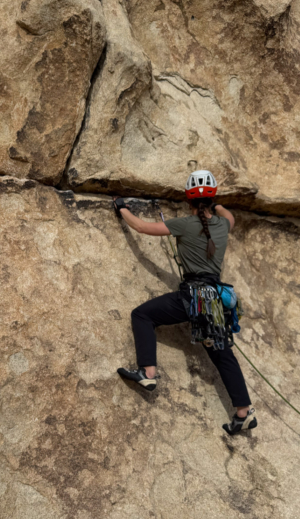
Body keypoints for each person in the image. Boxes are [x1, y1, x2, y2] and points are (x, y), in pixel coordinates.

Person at [114, 169, 257, 435]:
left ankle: (148, 372)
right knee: (221, 352)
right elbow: (230, 216)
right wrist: (217, 205)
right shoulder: (223, 225)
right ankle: (243, 412)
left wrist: (121, 208)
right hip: (216, 301)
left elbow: (142, 227)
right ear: (212, 198)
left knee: (142, 315)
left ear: (188, 200)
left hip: (193, 296)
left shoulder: (184, 224)